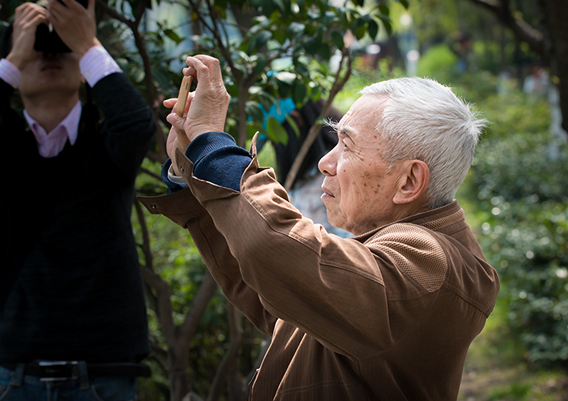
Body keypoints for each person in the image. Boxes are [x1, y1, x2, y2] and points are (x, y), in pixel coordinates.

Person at [140, 54, 500, 400]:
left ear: (408, 182)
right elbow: (279, 290)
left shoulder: (428, 261)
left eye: (347, 145)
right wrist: (190, 168)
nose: (326, 162)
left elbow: (277, 249)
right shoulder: (396, 250)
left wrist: (210, 146)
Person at [0, 0, 155, 399]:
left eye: (62, 47)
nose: (49, 54)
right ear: (14, 70)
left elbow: (138, 125)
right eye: (36, 48)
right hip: (10, 373)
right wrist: (13, 54)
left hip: (105, 374)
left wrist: (87, 44)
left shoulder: (107, 147)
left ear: (86, 72)